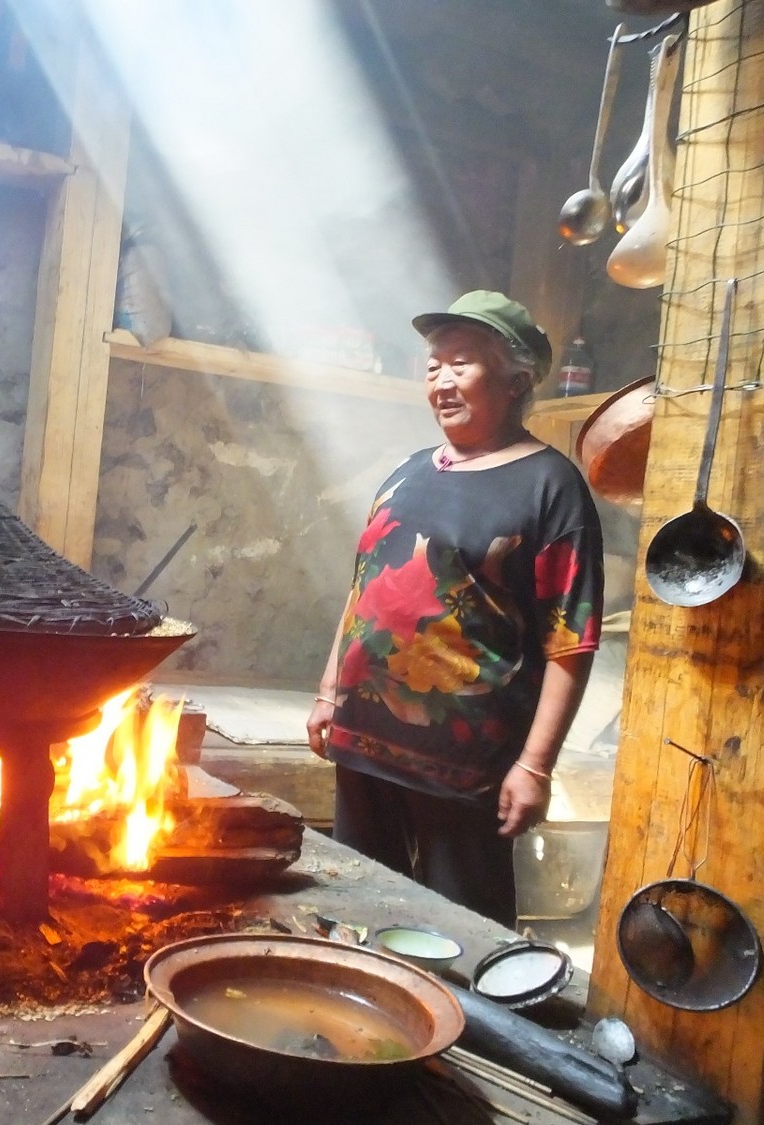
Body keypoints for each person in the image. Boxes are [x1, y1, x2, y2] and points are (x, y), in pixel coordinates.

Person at [305, 290, 604, 928]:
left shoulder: (550, 486)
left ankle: (470, 1029)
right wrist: (330, 688)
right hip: (364, 743)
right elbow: (366, 585)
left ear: (516, 378)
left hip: (465, 764)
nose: (441, 380)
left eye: (461, 363)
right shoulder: (411, 469)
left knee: (462, 934)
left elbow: (571, 641)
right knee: (355, 910)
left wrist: (535, 766)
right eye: (433, 365)